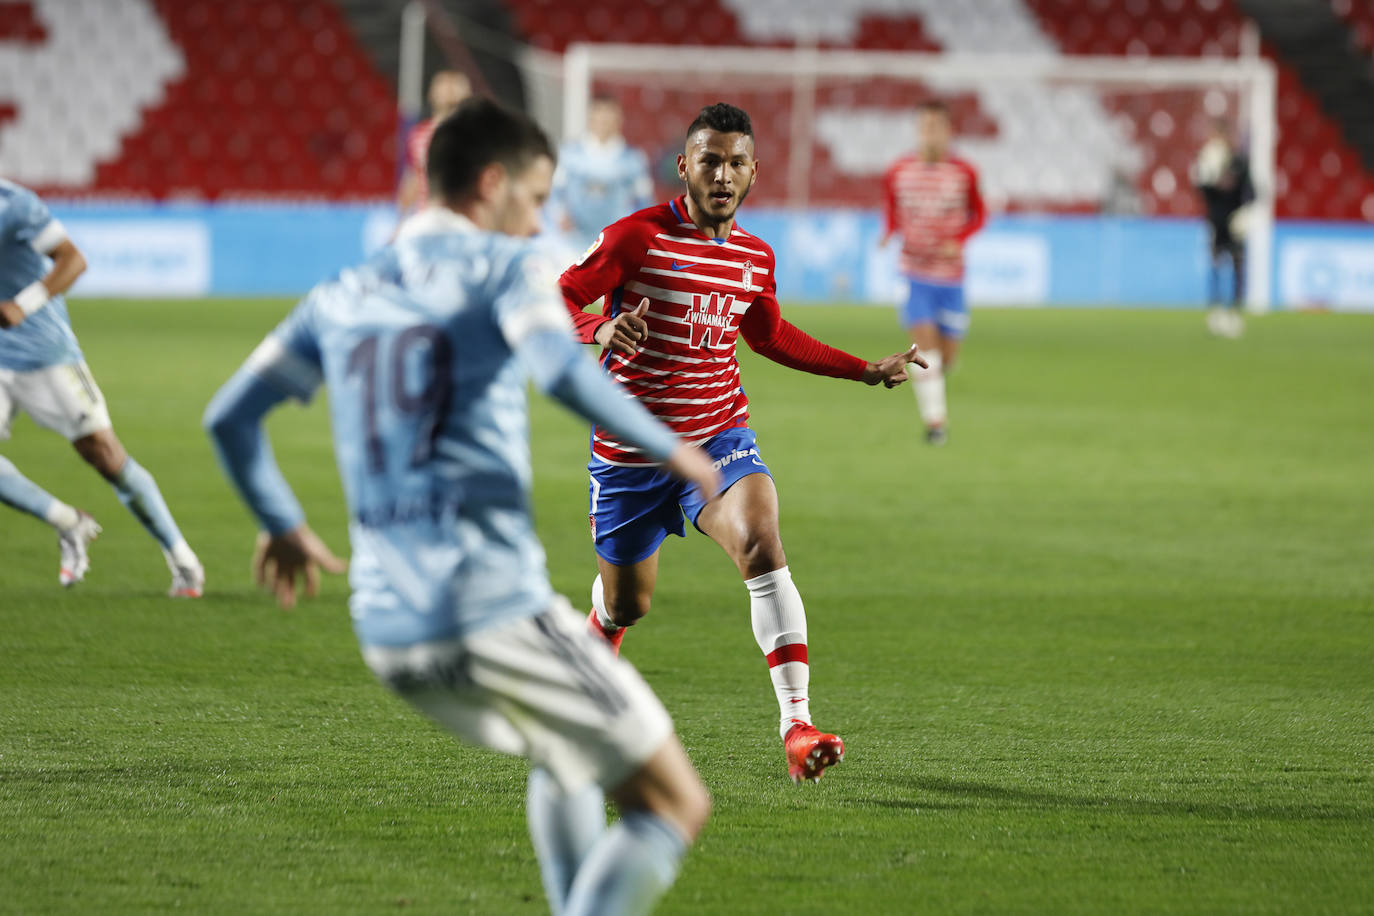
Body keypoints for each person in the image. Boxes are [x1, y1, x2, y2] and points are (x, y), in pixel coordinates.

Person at [204, 98, 717, 916]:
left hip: (386, 630)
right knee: (674, 802)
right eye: (535, 195)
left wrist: (282, 523)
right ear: (491, 184)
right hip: (489, 607)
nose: (541, 216)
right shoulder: (504, 269)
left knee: (567, 754)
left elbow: (228, 418)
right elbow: (558, 369)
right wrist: (672, 446)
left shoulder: (342, 291)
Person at [559, 102, 922, 784]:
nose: (722, 175)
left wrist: (863, 369)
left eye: (735, 163)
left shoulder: (755, 257)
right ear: (684, 168)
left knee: (760, 536)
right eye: (709, 161)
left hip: (718, 435)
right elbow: (558, 296)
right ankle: (597, 639)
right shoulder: (633, 239)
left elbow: (770, 336)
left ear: (753, 172)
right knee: (627, 603)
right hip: (634, 455)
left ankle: (797, 724)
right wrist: (600, 331)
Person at [0, 178, 203, 595]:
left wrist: (24, 304)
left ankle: (182, 559)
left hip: (44, 352)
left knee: (105, 455)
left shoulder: (15, 204)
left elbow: (73, 260)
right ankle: (69, 522)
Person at [880, 99, 986, 445]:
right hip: (914, 274)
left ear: (948, 131)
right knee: (925, 350)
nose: (930, 134)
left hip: (951, 278)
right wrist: (888, 232)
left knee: (947, 358)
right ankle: (935, 423)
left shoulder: (964, 172)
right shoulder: (898, 171)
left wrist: (961, 239)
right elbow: (892, 210)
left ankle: (936, 390)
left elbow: (980, 214)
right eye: (925, 127)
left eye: (937, 127)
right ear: (917, 130)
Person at [551, 96, 654, 257]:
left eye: (608, 117)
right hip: (573, 243)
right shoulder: (569, 155)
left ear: (619, 120)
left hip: (615, 245)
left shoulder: (633, 160)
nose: (603, 121)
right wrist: (558, 214)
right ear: (591, 118)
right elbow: (554, 193)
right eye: (599, 116)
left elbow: (644, 201)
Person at [1192, 118, 1253, 338]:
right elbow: (1203, 192)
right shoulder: (1207, 161)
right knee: (1216, 265)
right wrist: (1208, 176)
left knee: (1238, 266)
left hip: (1236, 223)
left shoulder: (1239, 162)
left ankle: (1236, 310)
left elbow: (1252, 192)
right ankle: (1216, 309)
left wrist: (1244, 214)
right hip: (1216, 222)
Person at [396, 70, 472, 220]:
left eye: (455, 84)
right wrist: (402, 218)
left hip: (465, 221)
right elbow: (413, 177)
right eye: (444, 84)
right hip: (428, 217)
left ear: (468, 94)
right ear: (432, 93)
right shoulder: (418, 135)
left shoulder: (478, 133)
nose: (450, 89)